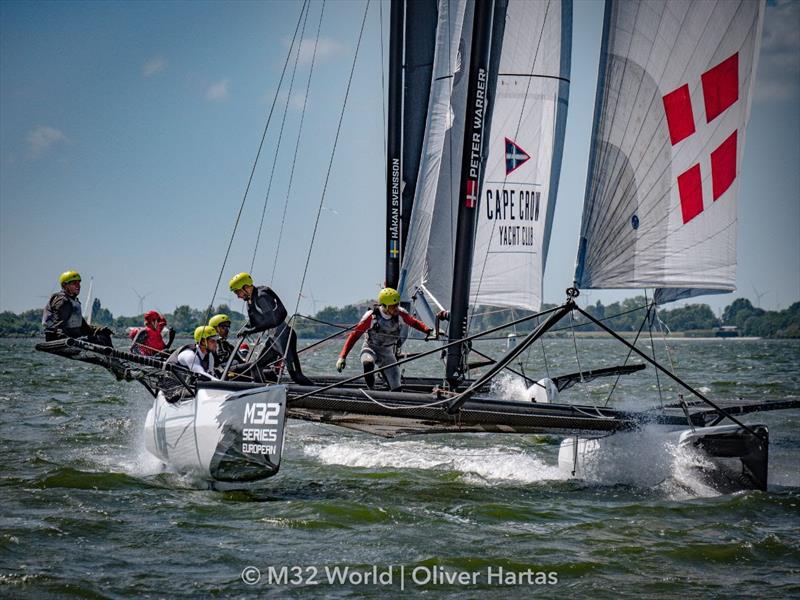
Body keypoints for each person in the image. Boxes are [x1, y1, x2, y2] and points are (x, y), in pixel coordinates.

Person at [336, 287, 432, 391]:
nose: (396, 308)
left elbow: (413, 322)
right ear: (385, 306)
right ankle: (371, 391)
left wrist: (428, 331)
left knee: (396, 386)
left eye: (397, 305)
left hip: (387, 352)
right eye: (393, 306)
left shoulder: (400, 313)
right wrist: (342, 357)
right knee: (368, 362)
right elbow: (354, 335)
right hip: (370, 348)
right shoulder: (371, 317)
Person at [229, 272, 314, 385]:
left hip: (284, 337)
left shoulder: (261, 296)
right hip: (274, 340)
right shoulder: (250, 301)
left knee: (296, 375)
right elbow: (254, 322)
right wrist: (245, 330)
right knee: (256, 368)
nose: (238, 296)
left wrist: (250, 331)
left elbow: (272, 321)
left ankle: (321, 397)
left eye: (237, 292)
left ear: (245, 287)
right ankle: (263, 394)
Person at [42, 270, 113, 346]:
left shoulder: (74, 301)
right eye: (74, 283)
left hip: (74, 337)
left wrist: (98, 330)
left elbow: (84, 327)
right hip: (60, 339)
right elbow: (57, 324)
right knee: (101, 339)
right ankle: (110, 356)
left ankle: (110, 356)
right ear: (64, 285)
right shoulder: (63, 301)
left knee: (104, 335)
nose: (78, 286)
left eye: (79, 283)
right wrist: (63, 337)